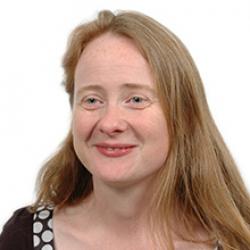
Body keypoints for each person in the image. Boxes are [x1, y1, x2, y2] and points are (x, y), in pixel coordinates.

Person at [1, 9, 250, 250]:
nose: (110, 123)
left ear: (182, 113)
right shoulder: (22, 238)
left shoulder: (238, 241)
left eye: (136, 100)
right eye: (92, 100)